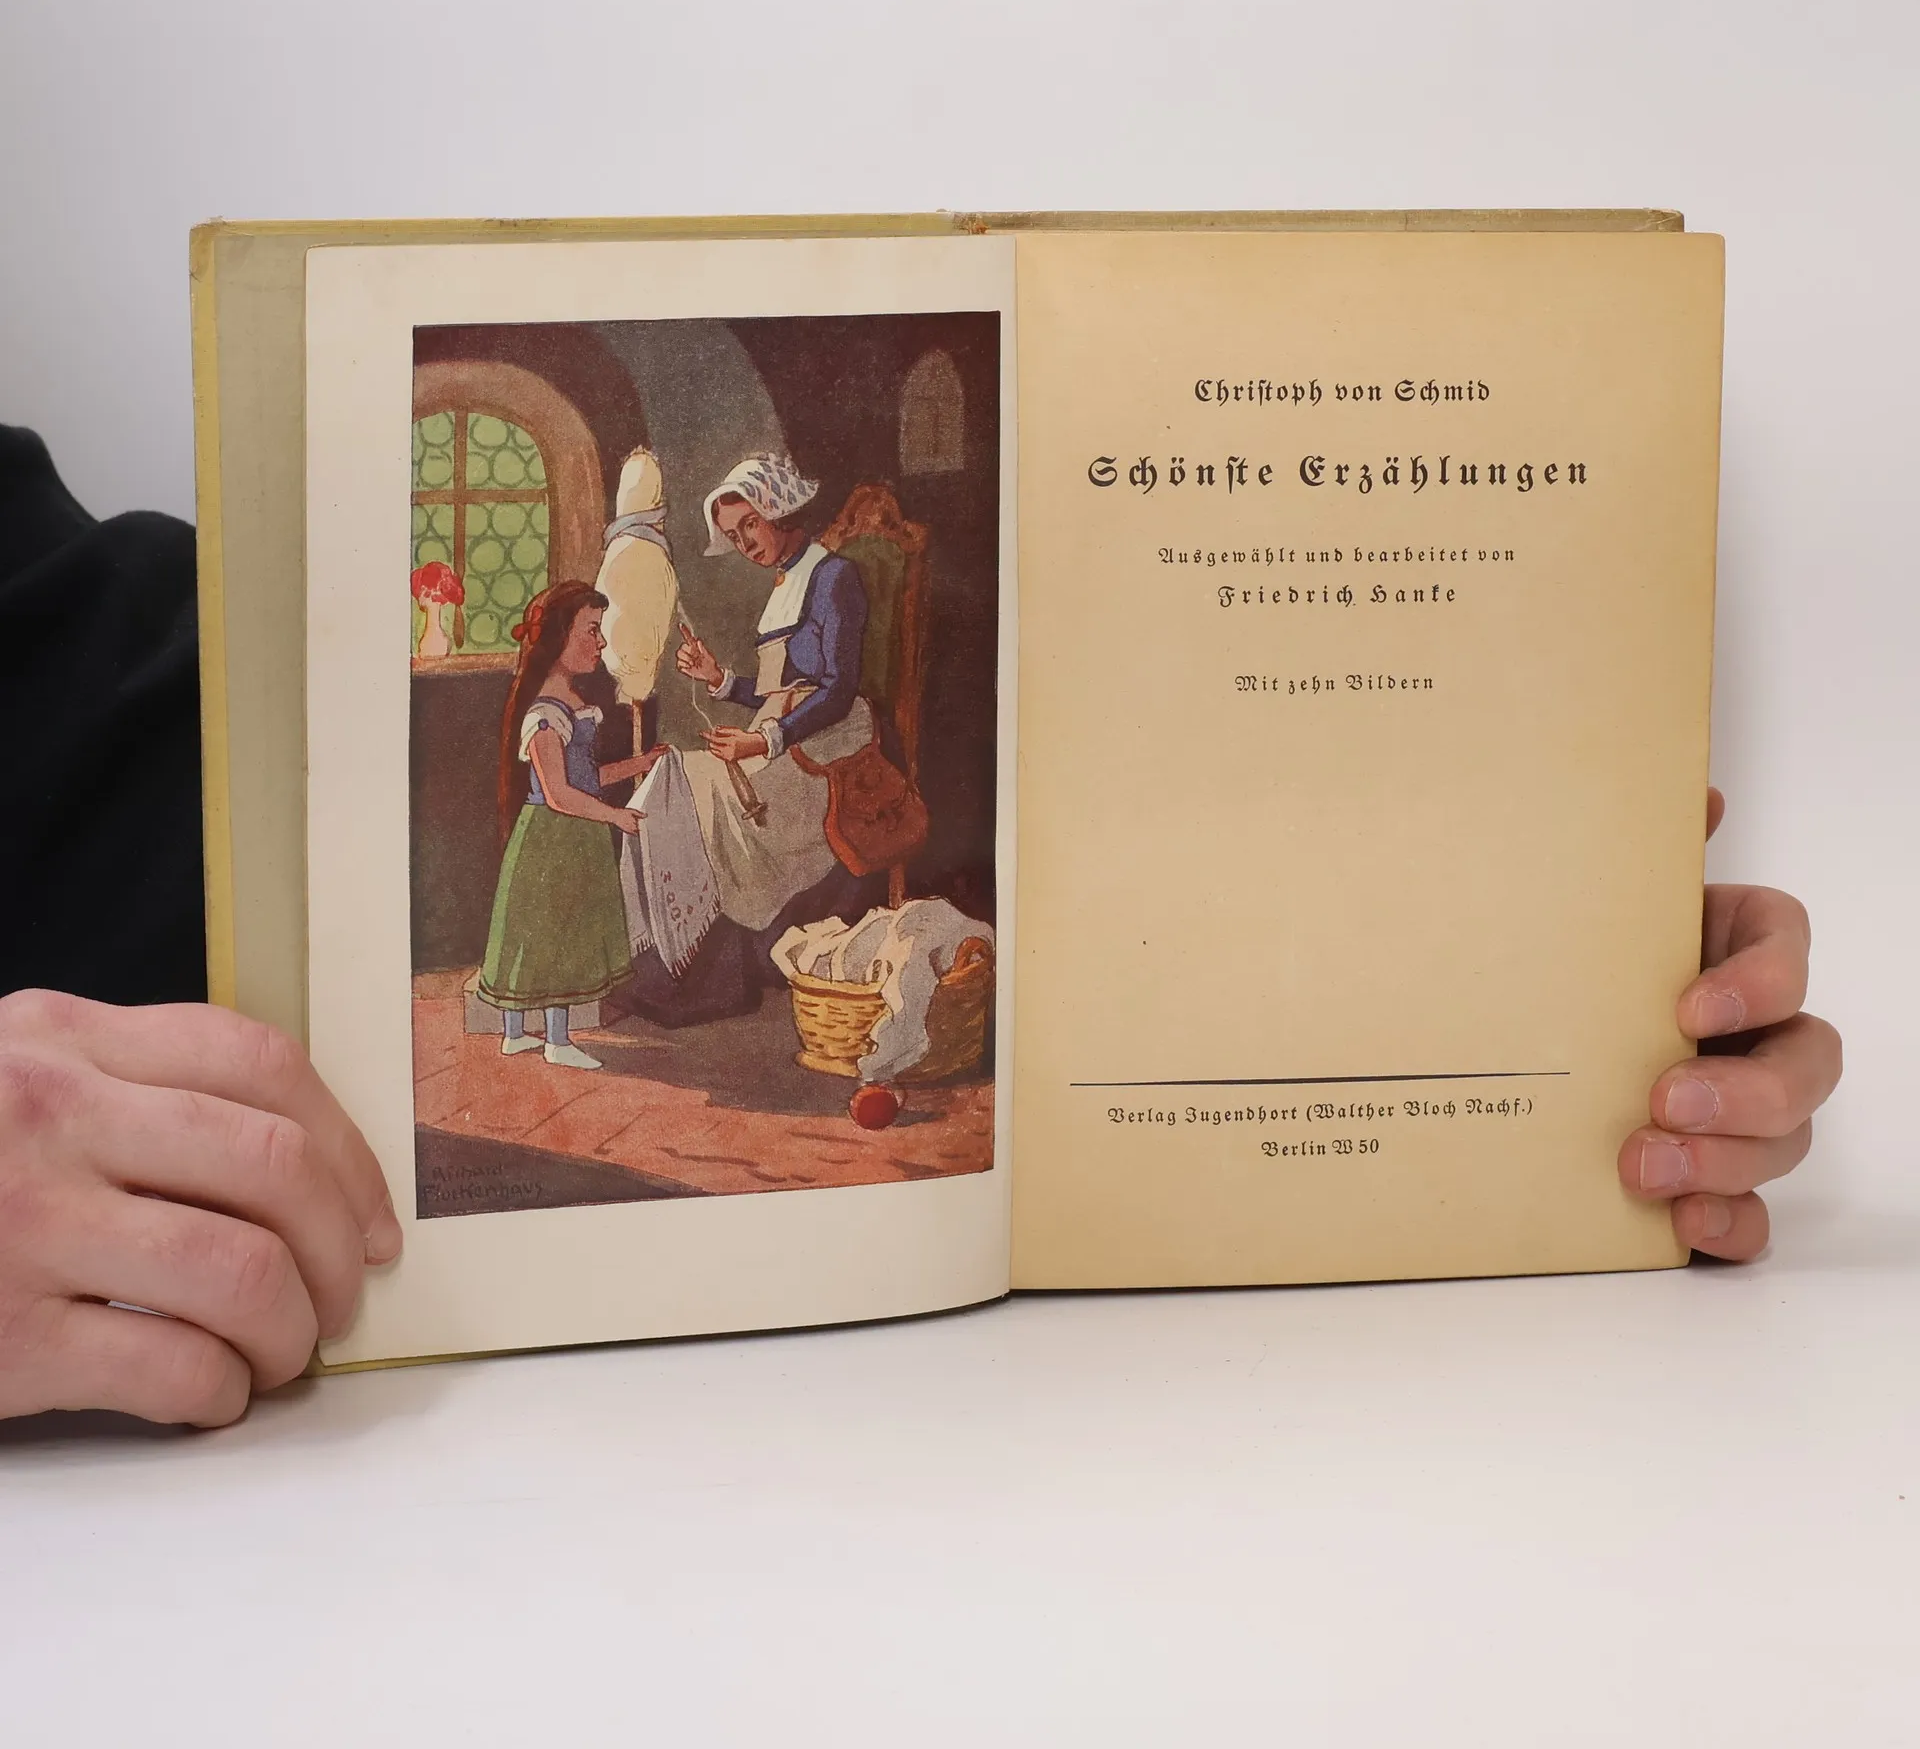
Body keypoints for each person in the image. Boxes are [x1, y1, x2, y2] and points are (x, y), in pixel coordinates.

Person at [0, 423, 1844, 1425]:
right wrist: (706, 710)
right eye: (716, 529)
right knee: (684, 797)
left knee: (712, 799)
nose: (730, 540)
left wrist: (1479, 925)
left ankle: (692, 962)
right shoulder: (719, 595)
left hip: (829, 762)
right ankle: (681, 970)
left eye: (738, 526)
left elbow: (819, 692)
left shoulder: (821, 585)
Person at [672, 454, 872, 933]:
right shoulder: (784, 580)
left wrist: (764, 740)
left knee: (717, 791)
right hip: (790, 728)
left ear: (778, 510)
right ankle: (712, 940)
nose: (744, 544)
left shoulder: (833, 576)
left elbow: (837, 690)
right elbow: (777, 690)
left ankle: (742, 936)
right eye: (733, 535)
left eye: (750, 524)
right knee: (685, 778)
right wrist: (718, 678)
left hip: (834, 736)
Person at [476, 581, 664, 1071]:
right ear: (561, 637)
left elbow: (587, 778)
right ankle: (552, 1041)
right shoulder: (544, 714)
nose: (601, 642)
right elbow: (559, 794)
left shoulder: (573, 702)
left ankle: (518, 1034)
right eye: (592, 630)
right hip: (552, 840)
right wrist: (615, 816)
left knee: (557, 932)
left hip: (576, 835)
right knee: (550, 936)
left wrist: (640, 763)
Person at [594, 446, 679, 755]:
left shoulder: (619, 551)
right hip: (631, 684)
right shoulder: (645, 554)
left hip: (622, 683)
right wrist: (638, 682)